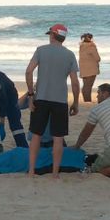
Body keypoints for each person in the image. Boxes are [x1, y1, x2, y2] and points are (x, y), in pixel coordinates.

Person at [25, 23, 80, 178]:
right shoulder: (69, 55)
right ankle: (55, 173)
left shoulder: (41, 50)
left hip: (41, 98)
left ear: (52, 35)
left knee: (36, 135)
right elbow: (75, 82)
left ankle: (31, 171)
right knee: (58, 138)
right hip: (60, 101)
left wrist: (30, 95)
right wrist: (75, 102)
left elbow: (29, 71)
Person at [78, 33, 101, 102]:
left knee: (85, 86)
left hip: (83, 69)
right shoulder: (91, 47)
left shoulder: (82, 46)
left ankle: (86, 100)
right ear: (91, 39)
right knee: (88, 87)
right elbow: (98, 58)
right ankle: (88, 101)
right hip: (91, 69)